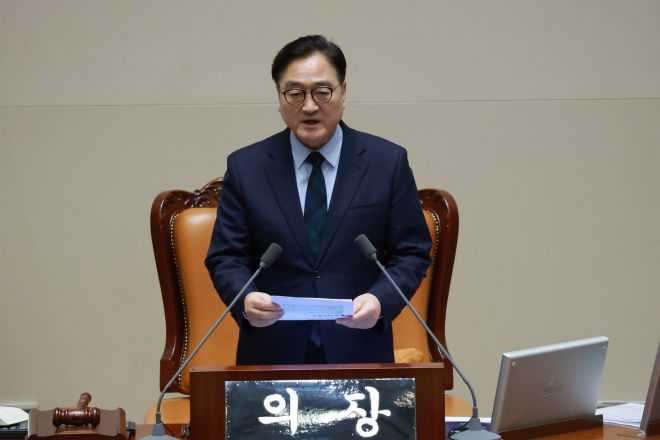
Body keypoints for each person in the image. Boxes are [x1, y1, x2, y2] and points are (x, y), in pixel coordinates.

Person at [205, 35, 431, 365]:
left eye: (322, 92)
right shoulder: (246, 167)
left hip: (360, 350)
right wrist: (246, 299)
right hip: (271, 352)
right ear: (279, 99)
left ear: (343, 93)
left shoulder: (386, 163)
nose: (309, 106)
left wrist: (379, 301)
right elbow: (226, 256)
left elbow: (412, 252)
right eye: (295, 93)